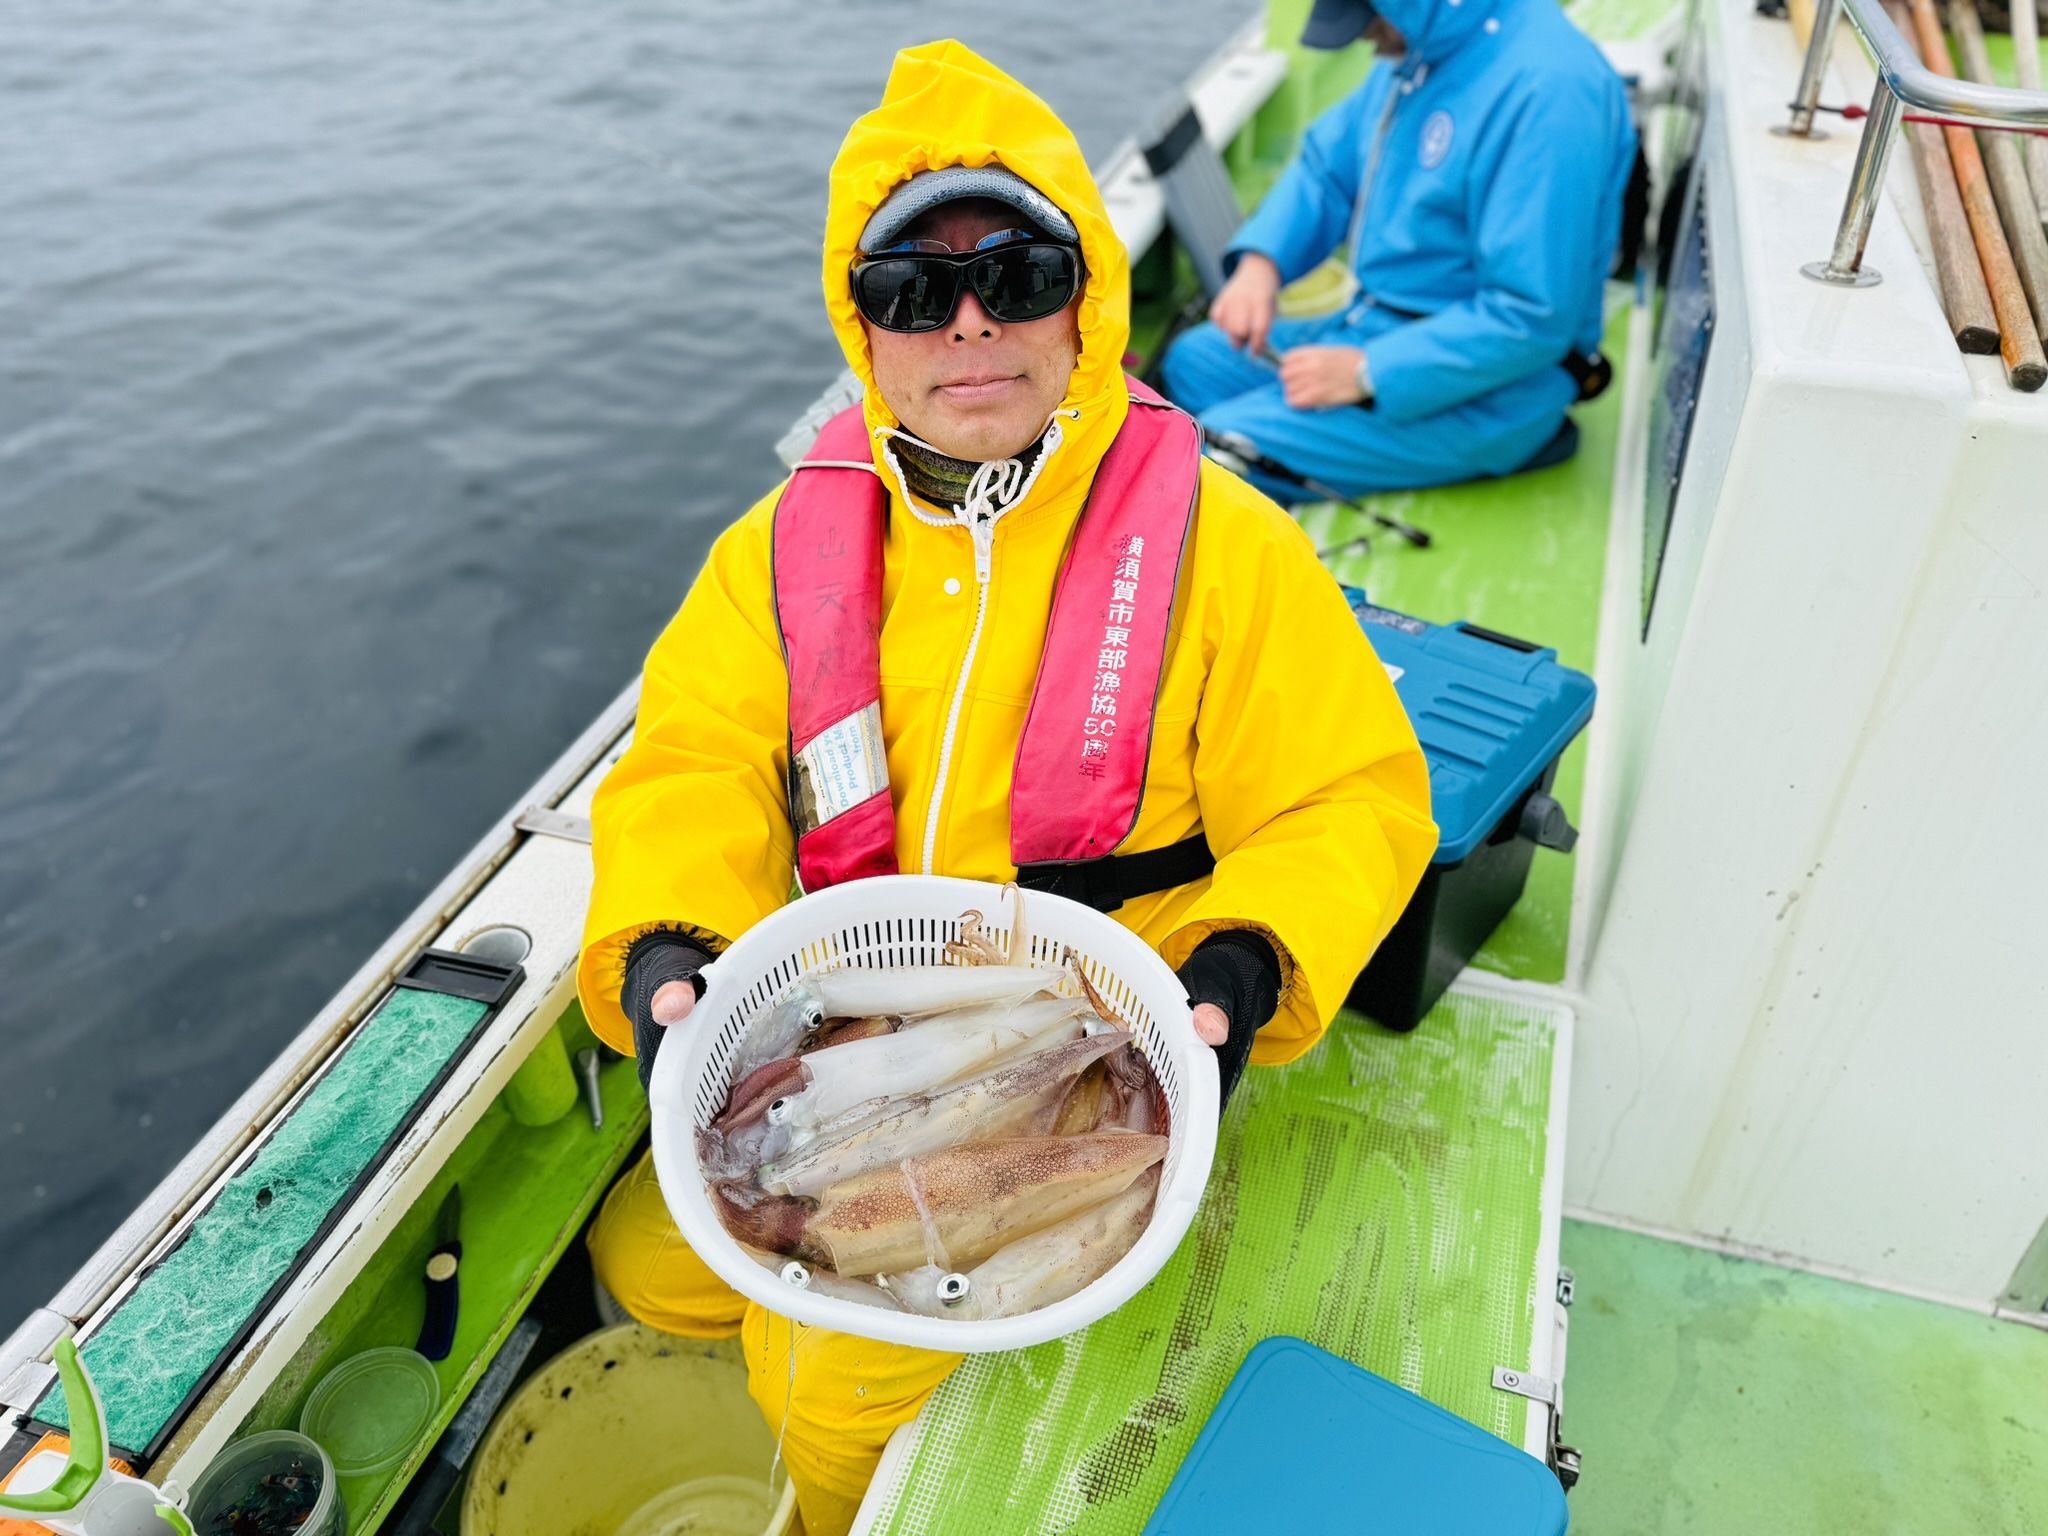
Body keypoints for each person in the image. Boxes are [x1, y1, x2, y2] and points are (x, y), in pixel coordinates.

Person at [574, 39, 1436, 1534]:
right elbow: (693, 766)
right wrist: (665, 944)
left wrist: (1244, 963)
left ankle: (850, 1491)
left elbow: (1347, 796)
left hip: (1094, 1026)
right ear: (861, 326)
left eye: (1018, 274)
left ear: (1085, 299)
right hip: (851, 1024)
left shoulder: (1228, 547)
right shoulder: (778, 551)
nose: (968, 322)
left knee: (824, 1389)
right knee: (648, 1262)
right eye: (913, 289)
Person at [1161, 0, 1637, 501]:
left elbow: (1531, 315)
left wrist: (1367, 372)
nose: (1364, 36)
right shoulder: (1424, 44)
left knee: (1207, 457)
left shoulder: (1551, 91)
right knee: (1193, 363)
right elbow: (1327, 171)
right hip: (1374, 325)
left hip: (1490, 391)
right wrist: (1261, 264)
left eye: (1370, 16)